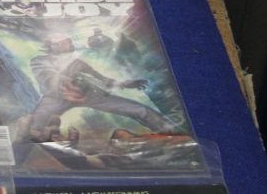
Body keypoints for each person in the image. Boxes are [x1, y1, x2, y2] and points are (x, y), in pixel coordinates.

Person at [25, 34, 178, 142]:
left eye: (68, 41)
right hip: (55, 99)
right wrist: (64, 85)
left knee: (141, 110)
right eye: (65, 42)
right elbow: (46, 75)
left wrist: (124, 84)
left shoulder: (77, 62)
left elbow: (103, 80)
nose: (69, 44)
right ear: (53, 46)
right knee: (33, 129)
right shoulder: (39, 60)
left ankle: (171, 133)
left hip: (87, 94)